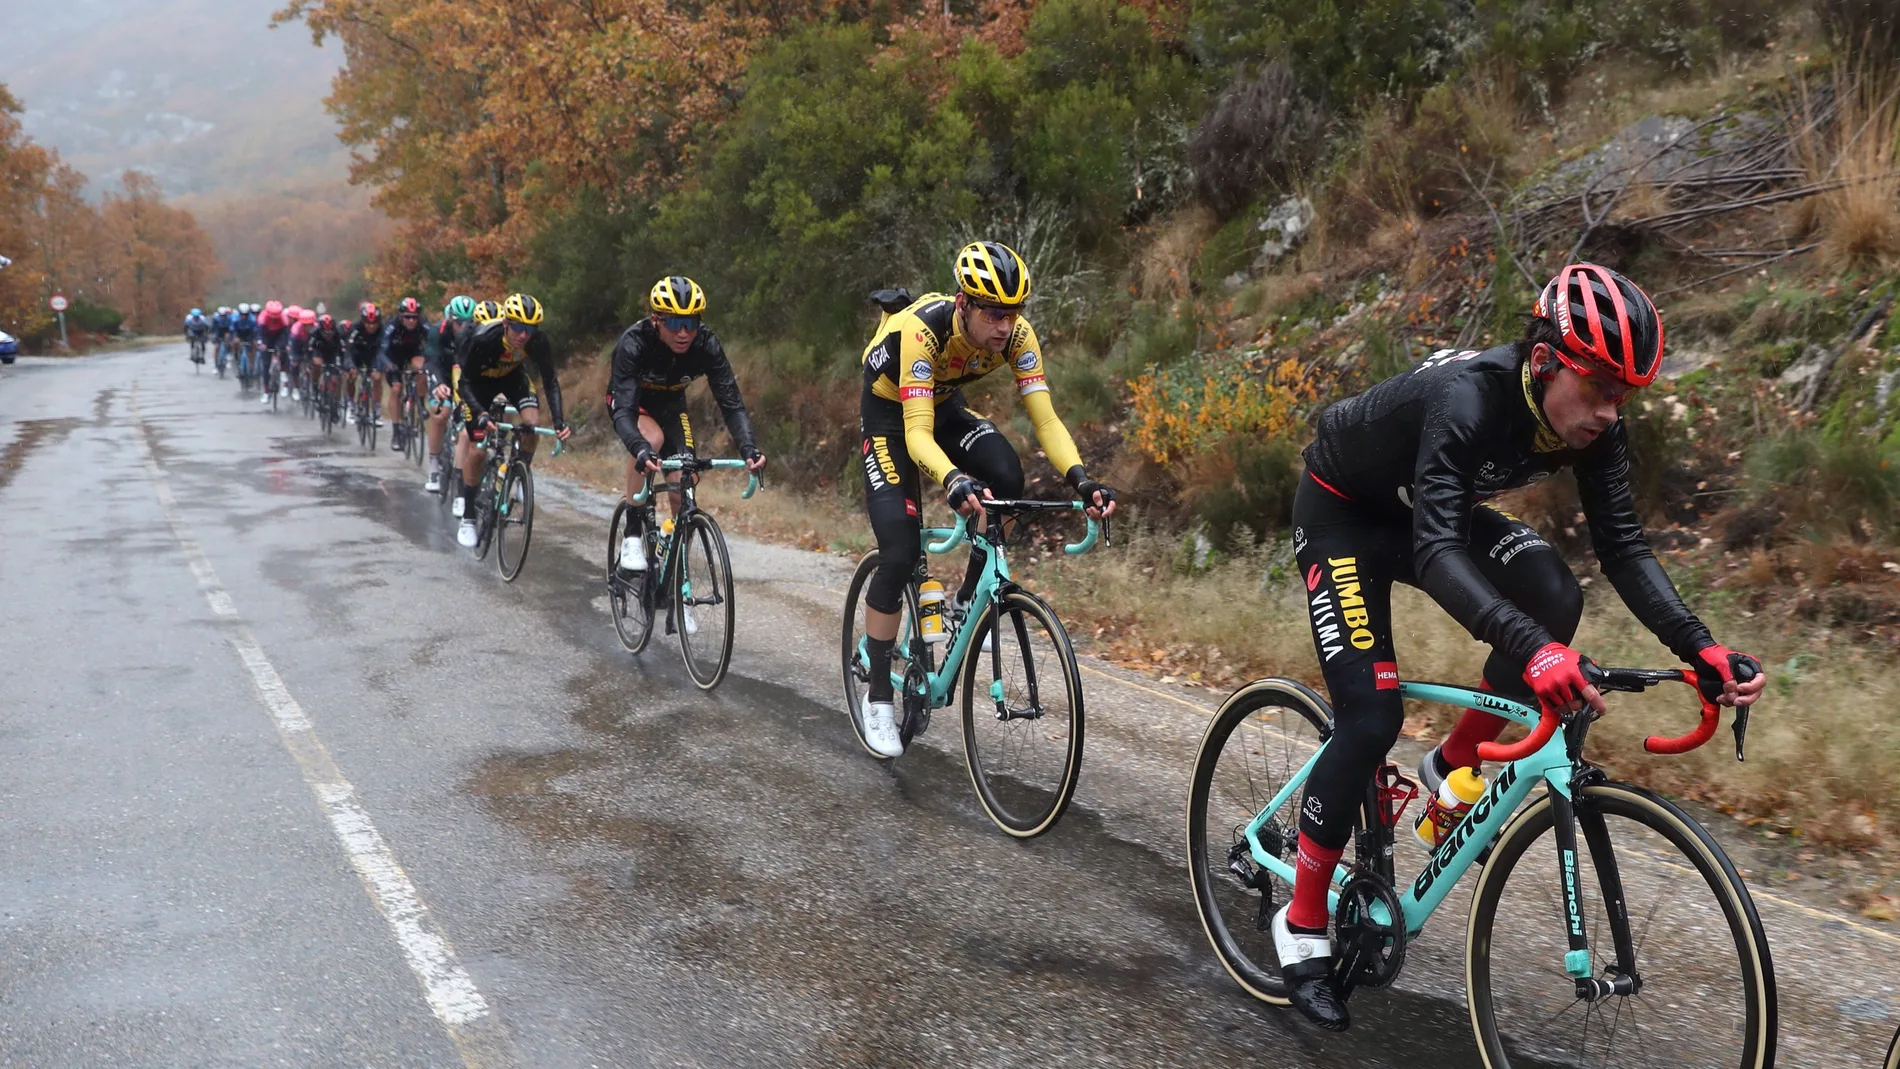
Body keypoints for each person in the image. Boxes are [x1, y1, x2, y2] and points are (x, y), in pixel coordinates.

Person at [1271, 262, 1767, 1032]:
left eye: (1625, 393)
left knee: (1554, 594)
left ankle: (1455, 765)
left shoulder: (1596, 429)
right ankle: (1300, 925)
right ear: (1543, 360)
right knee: (1370, 718)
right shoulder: (1469, 397)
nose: (1610, 409)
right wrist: (1532, 651)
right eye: (1600, 385)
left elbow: (1625, 549)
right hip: (1343, 513)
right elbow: (1438, 551)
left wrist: (1699, 645)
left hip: (1418, 512)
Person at [853, 240, 1118, 758]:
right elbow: (916, 435)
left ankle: (966, 601)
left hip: (945, 406)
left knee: (1007, 481)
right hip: (892, 416)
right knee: (900, 551)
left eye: (1013, 313)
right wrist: (952, 479)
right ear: (963, 305)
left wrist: (1082, 481)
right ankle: (878, 692)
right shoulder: (922, 331)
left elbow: (1045, 418)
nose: (1005, 326)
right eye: (994, 314)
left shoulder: (1018, 336)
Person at [608, 276, 767, 580]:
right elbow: (624, 411)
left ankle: (675, 579)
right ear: (656, 320)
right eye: (674, 323)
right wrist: (639, 448)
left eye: (691, 324)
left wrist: (748, 447)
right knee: (651, 439)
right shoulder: (634, 343)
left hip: (670, 404)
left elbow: (731, 403)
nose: (683, 333)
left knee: (686, 483)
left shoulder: (705, 343)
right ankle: (631, 536)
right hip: (631, 403)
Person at [435, 293, 569, 548]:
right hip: (478, 385)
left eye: (530, 329)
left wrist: (560, 421)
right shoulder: (484, 339)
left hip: (512, 378)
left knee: (532, 425)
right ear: (506, 323)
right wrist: (480, 413)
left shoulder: (536, 341)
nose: (523, 335)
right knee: (477, 449)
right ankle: (469, 517)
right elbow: (464, 383)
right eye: (518, 328)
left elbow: (550, 380)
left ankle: (518, 472)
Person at [378, 296, 430, 451]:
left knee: (422, 369)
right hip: (393, 358)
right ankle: (396, 431)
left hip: (413, 355)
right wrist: (389, 365)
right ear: (401, 316)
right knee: (396, 389)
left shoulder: (424, 324)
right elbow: (381, 351)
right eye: (407, 317)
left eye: (414, 317)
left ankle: (420, 403)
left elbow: (435, 340)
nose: (412, 321)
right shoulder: (391, 327)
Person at [344, 302, 384, 425]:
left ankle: (376, 408)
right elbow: (348, 351)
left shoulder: (383, 330)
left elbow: (384, 351)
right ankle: (350, 404)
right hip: (356, 355)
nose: (371, 326)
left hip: (373, 356)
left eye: (374, 323)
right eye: (368, 323)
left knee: (377, 378)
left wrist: (379, 366)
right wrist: (350, 366)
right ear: (362, 321)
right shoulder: (355, 328)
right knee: (351, 376)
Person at [256, 300, 292, 403]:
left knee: (283, 351)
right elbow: (259, 334)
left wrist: (286, 345)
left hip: (279, 337)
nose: (274, 319)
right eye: (272, 317)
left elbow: (286, 334)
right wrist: (261, 343)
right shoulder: (262, 318)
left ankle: (283, 373)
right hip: (266, 337)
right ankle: (266, 392)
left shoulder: (284, 319)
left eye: (276, 317)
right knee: (266, 366)